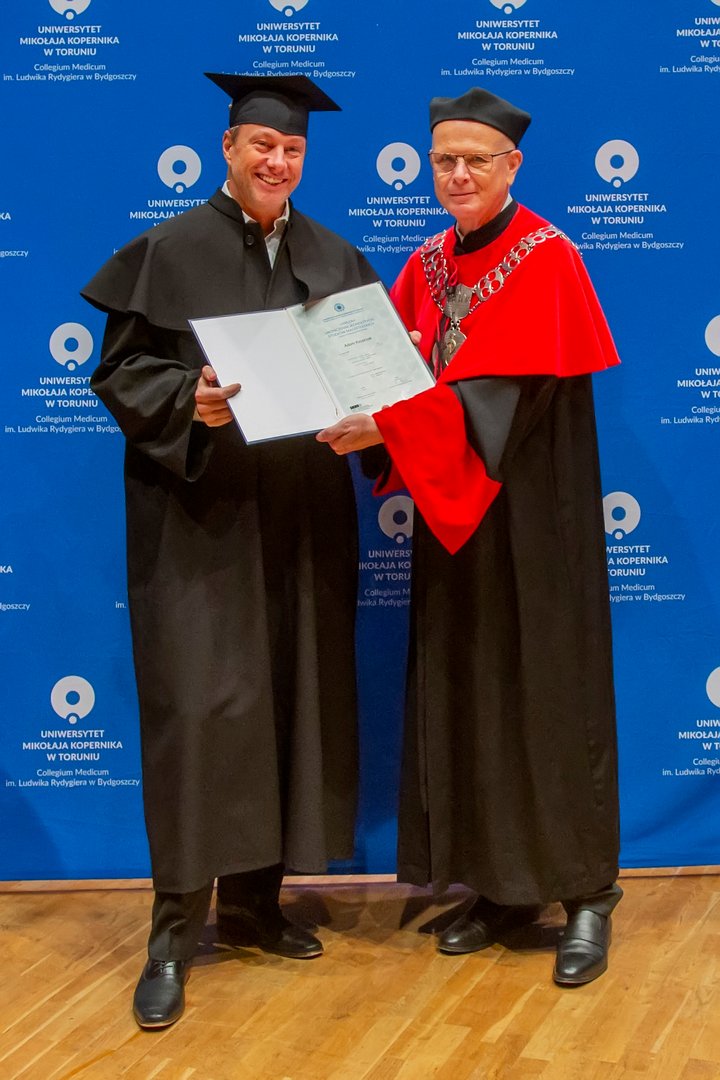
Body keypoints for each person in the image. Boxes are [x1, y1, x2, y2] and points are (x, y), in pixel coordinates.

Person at [81, 73, 377, 1029]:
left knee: (290, 698)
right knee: (200, 714)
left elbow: (373, 376)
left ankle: (254, 906)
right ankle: (173, 931)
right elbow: (121, 371)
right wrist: (189, 401)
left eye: (291, 150)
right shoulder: (168, 250)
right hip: (199, 521)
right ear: (228, 148)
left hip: (303, 519)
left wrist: (373, 418)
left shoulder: (335, 256)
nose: (276, 162)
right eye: (262, 145)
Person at [318, 87, 622, 986]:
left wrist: (391, 426)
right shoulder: (426, 263)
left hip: (533, 521)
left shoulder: (548, 258)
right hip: (454, 524)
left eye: (475, 160)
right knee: (473, 693)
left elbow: (504, 402)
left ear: (511, 165)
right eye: (443, 160)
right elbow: (387, 372)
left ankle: (587, 893)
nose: (457, 175)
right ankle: (501, 886)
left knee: (548, 696)